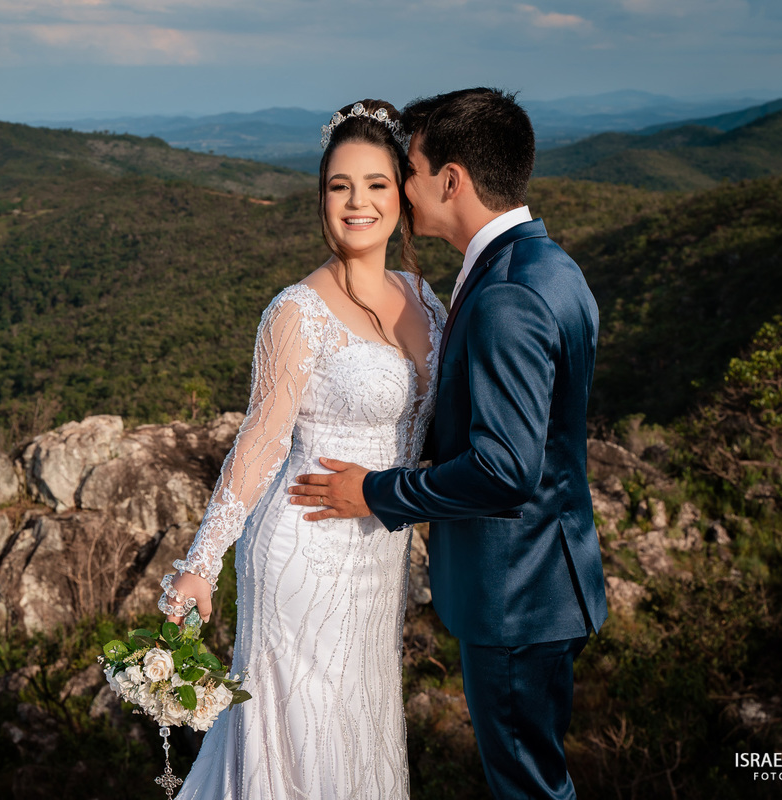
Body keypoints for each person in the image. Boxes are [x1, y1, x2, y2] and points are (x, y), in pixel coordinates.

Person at [289, 88, 608, 800]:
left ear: (451, 180)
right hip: (550, 578)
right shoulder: (550, 266)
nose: (402, 188)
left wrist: (375, 491)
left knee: (527, 788)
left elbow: (505, 471)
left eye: (410, 170)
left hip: (517, 592)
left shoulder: (506, 293)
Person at [157, 99, 446, 799]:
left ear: (401, 196)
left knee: (360, 732)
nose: (357, 202)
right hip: (304, 551)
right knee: (303, 741)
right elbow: (260, 439)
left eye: (375, 184)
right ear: (322, 197)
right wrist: (201, 565)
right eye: (340, 185)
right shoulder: (295, 310)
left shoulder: (424, 296)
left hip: (379, 558)